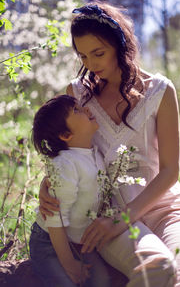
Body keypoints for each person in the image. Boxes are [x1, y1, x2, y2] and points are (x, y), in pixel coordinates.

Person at [39, 1, 180, 287]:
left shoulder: (161, 90)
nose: (91, 64)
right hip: (105, 214)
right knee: (157, 270)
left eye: (99, 53)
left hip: (167, 208)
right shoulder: (77, 95)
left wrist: (124, 219)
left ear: (120, 43)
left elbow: (169, 171)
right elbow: (67, 153)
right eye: (84, 56)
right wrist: (46, 185)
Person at [29, 95, 111, 287]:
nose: (87, 110)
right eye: (77, 110)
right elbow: (54, 219)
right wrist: (69, 264)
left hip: (77, 240)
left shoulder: (94, 153)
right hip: (49, 240)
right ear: (65, 135)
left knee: (101, 281)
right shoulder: (65, 164)